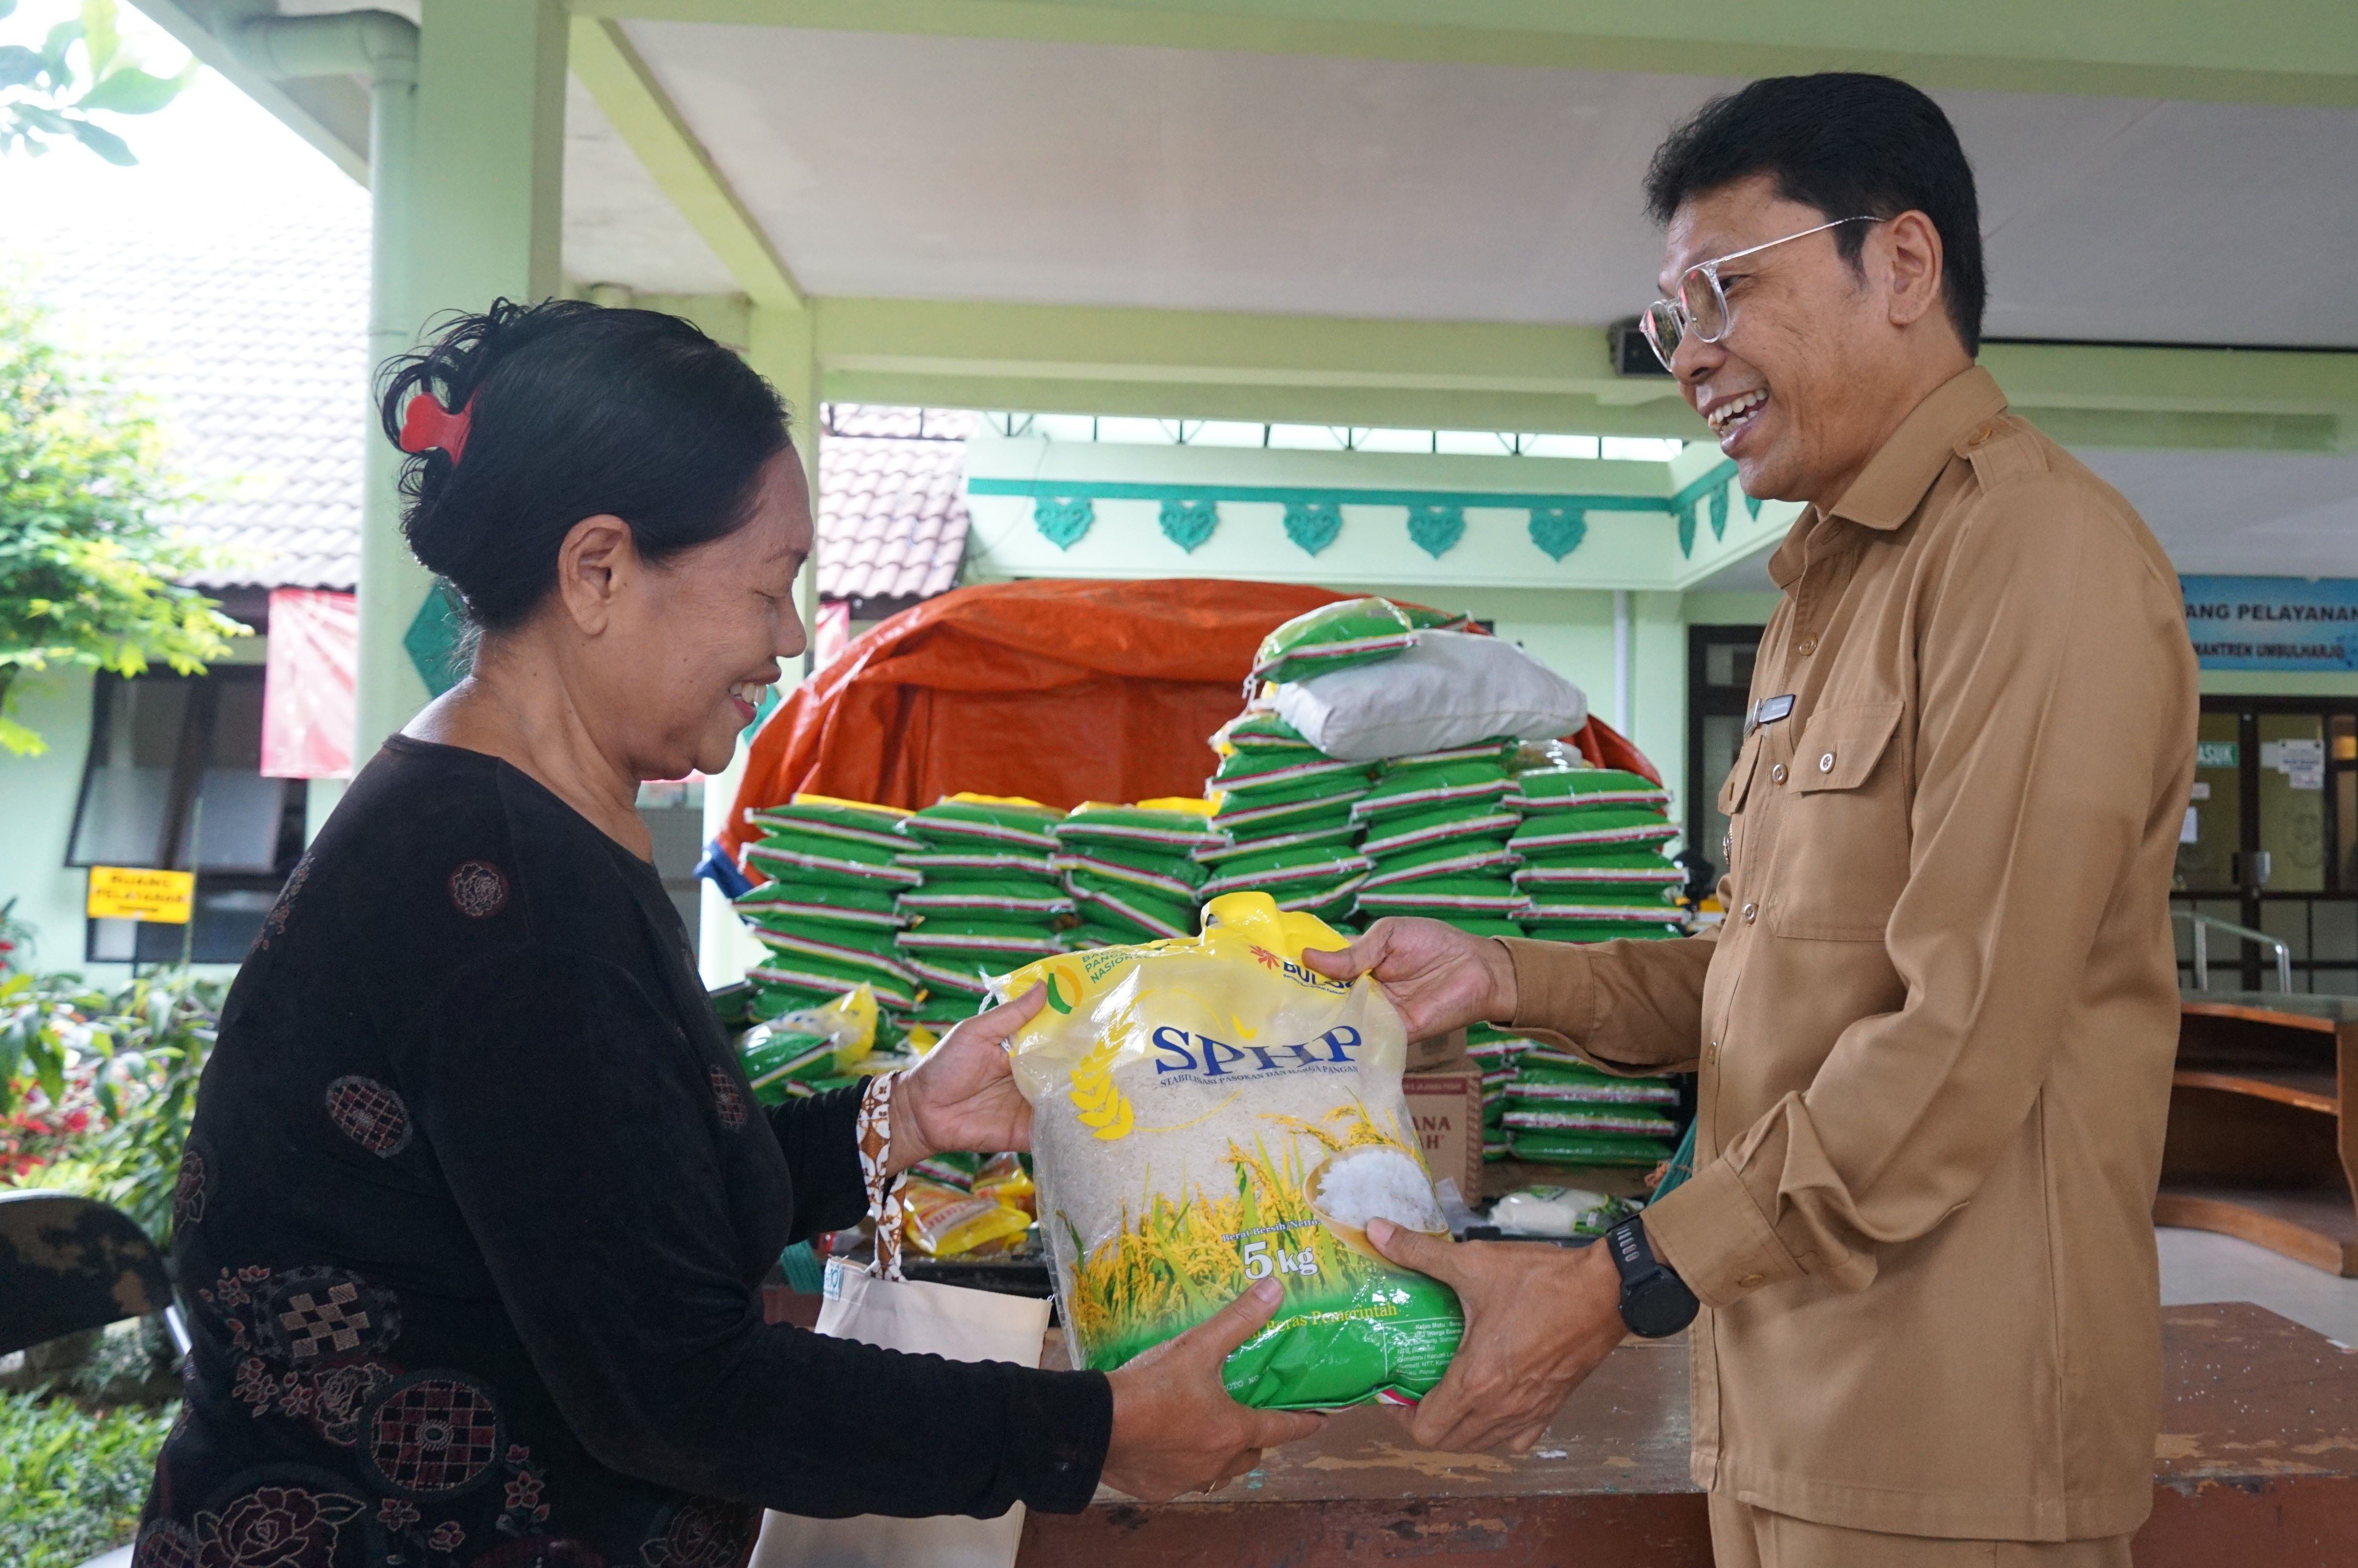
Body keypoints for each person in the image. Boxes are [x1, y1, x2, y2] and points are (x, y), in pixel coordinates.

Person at [137, 299, 1319, 1567]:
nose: (793, 636)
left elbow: (630, 1200)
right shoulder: (504, 898)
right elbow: (677, 1389)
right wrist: (1096, 1428)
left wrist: (901, 1116)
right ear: (597, 571)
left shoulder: (523, 821)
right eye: (769, 586)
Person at [1307, 74, 2196, 1567]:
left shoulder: (2034, 556)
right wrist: (1512, 977)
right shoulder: (1823, 595)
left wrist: (1623, 1275)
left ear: (1902, 266)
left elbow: (1959, 1037)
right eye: (1672, 319)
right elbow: (1774, 971)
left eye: (1726, 291)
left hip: (1951, 1455)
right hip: (1784, 1400)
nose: (1692, 356)